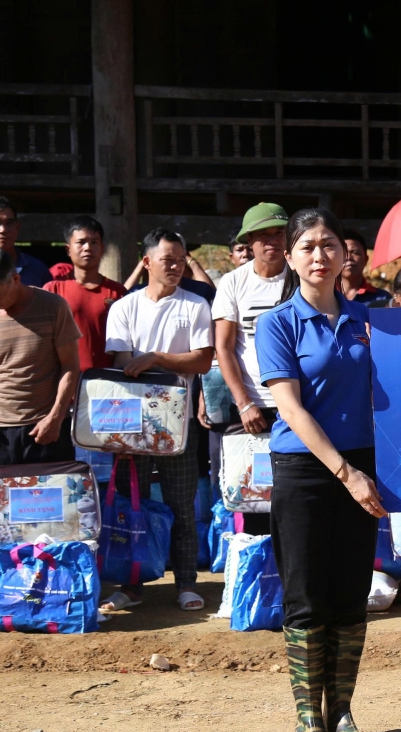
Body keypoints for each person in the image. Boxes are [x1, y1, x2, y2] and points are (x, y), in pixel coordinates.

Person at [254, 208, 383, 732]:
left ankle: (342, 713)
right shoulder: (277, 323)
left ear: (344, 254)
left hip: (364, 466)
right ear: (289, 256)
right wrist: (346, 473)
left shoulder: (370, 321)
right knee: (307, 596)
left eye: (329, 244)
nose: (320, 256)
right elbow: (291, 409)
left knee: (351, 593)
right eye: (307, 246)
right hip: (307, 469)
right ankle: (309, 720)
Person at [101, 228, 214, 613]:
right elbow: (121, 366)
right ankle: (131, 584)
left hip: (179, 423)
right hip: (131, 423)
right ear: (147, 262)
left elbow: (202, 361)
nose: (176, 266)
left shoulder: (195, 305)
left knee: (182, 506)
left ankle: (186, 582)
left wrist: (155, 358)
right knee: (133, 504)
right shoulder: (124, 307)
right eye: (168, 259)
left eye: (181, 260)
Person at [0, 247, 80, 468]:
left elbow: (70, 366)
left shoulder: (53, 307)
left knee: (52, 491)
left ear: (15, 279)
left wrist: (56, 417)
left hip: (46, 427)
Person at [209, 204, 289, 535]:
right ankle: (259, 565)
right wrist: (244, 403)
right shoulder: (233, 282)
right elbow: (224, 348)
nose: (272, 241)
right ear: (249, 242)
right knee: (256, 500)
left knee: (296, 499)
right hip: (253, 407)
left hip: (300, 404)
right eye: (263, 235)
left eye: (279, 233)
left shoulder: (302, 278)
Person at [43, 216, 127, 372]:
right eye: (81, 242)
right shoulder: (52, 290)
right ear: (68, 249)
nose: (88, 248)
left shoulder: (118, 292)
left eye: (94, 242)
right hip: (62, 379)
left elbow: (125, 347)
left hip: (106, 380)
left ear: (102, 248)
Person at [341, 229, 388, 304]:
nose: (349, 257)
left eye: (355, 252)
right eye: (343, 253)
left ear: (366, 260)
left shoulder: (383, 299)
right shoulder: (324, 298)